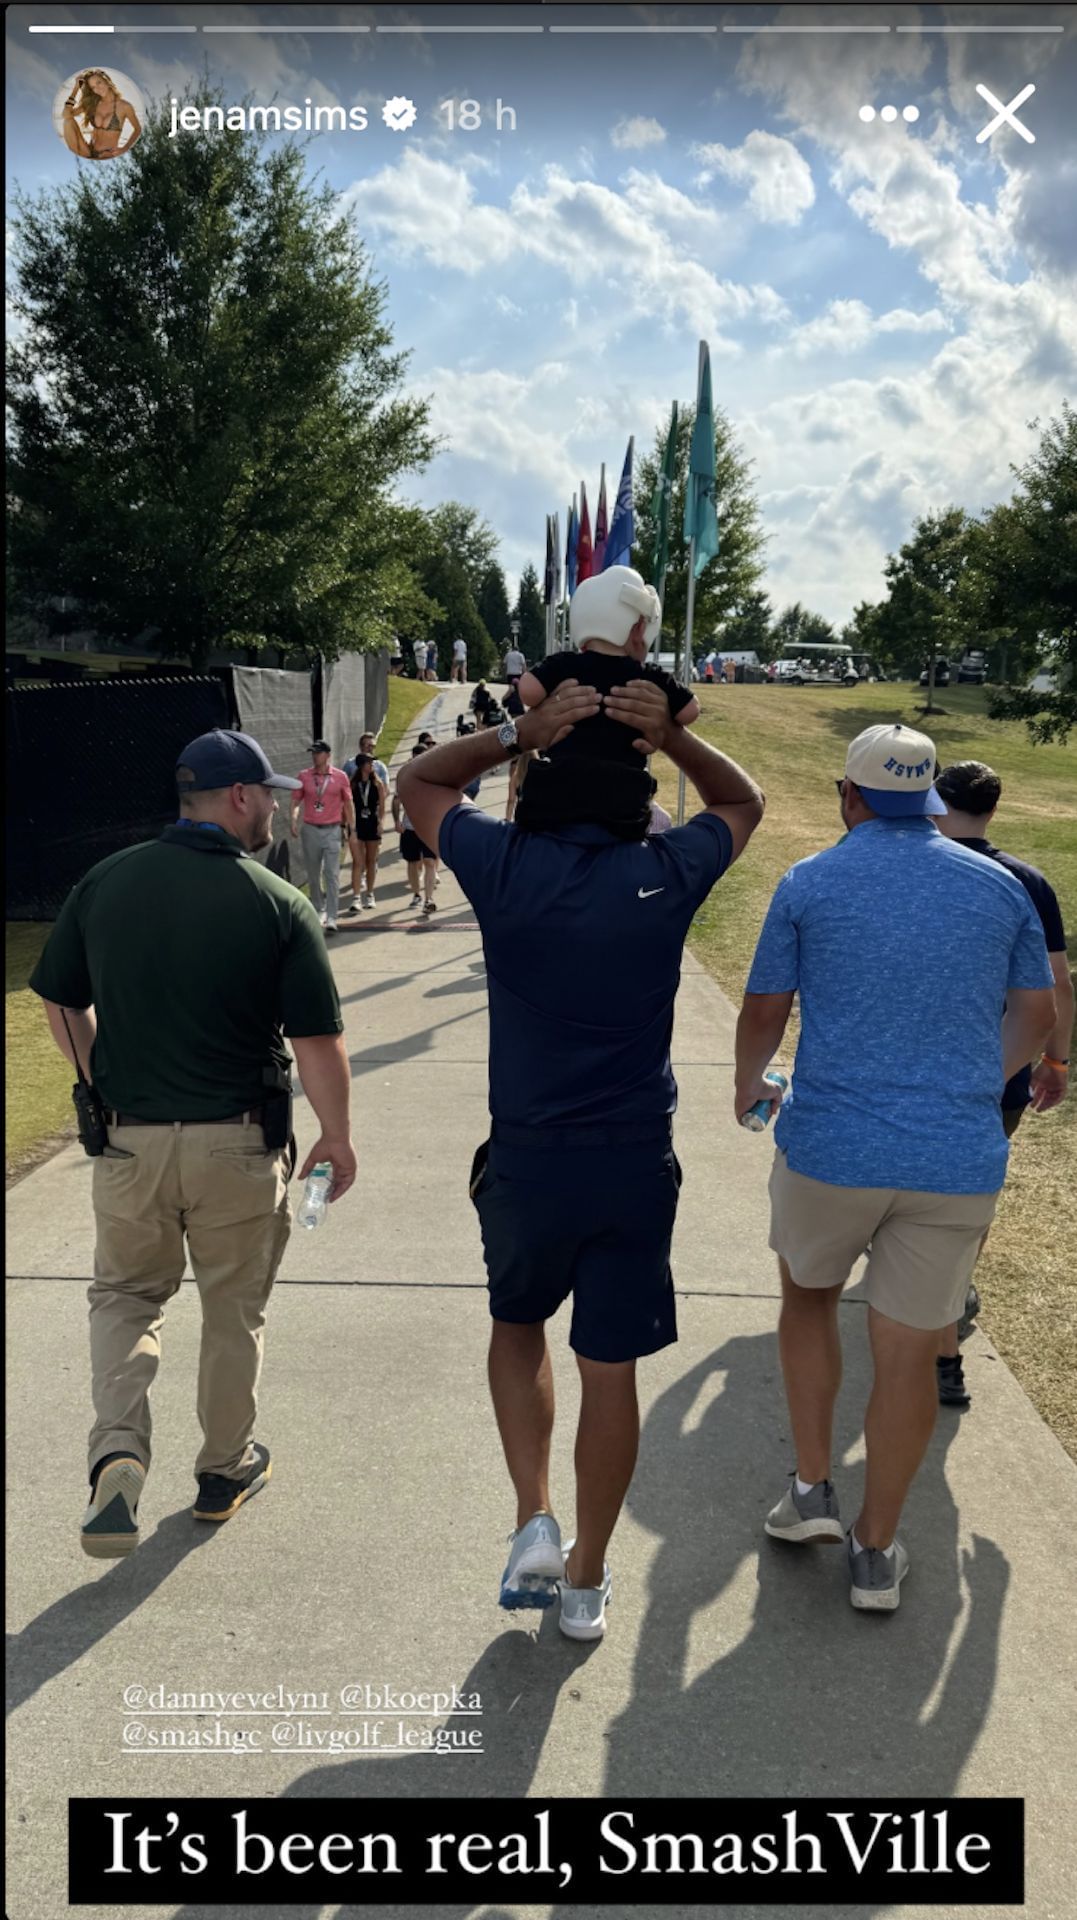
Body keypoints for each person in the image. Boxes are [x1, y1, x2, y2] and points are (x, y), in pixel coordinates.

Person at [396, 677, 764, 1641]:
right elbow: (742, 803)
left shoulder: (506, 865)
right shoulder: (667, 871)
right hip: (633, 1158)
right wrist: (673, 737)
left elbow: (419, 787)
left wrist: (516, 731)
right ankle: (589, 1579)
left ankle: (532, 1516)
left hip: (527, 1157)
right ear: (639, 804)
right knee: (611, 1370)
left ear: (538, 793)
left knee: (516, 1323)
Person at [735, 723, 1055, 1614]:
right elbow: (1036, 1014)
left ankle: (809, 1492)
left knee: (806, 1297)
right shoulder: (1000, 888)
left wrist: (745, 1081)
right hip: (954, 1157)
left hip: (832, 1143)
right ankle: (875, 1551)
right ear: (932, 799)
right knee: (910, 1351)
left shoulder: (811, 880)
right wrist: (968, 1084)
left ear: (848, 796)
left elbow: (765, 1007)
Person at [28, 728, 357, 1558]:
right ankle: (222, 1467)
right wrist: (337, 1137)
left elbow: (60, 1001)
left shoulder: (104, 883)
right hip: (238, 1147)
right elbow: (317, 1040)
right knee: (230, 1310)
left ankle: (118, 1450)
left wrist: (101, 1076)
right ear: (240, 799)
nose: (280, 809)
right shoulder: (273, 901)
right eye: (272, 796)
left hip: (131, 1144)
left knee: (127, 1298)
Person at [933, 760, 1073, 1409]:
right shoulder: (1024, 880)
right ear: (992, 808)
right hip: (998, 1073)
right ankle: (950, 1291)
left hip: (916, 1067)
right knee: (970, 1194)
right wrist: (1055, 1060)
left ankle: (915, 1293)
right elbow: (1054, 985)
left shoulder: (916, 867)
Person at [517, 567, 700, 773]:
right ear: (640, 629)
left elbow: (528, 691)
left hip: (560, 785)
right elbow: (690, 711)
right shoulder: (650, 678)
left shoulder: (564, 664)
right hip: (624, 792)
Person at [289, 741, 352, 936]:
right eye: (312, 753)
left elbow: (348, 803)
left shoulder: (340, 777)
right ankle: (318, 909)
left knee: (331, 874)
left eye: (318, 753)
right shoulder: (304, 776)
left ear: (327, 755)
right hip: (311, 829)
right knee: (313, 873)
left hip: (332, 829)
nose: (314, 756)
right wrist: (293, 819)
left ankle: (332, 915)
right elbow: (295, 801)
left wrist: (352, 827)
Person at [392, 744, 440, 914]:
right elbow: (396, 800)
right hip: (410, 827)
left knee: (429, 862)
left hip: (429, 827)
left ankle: (429, 899)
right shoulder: (405, 775)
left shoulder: (435, 775)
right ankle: (416, 895)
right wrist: (396, 820)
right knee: (412, 863)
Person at [61, 68, 142, 160]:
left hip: (106, 155)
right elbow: (66, 115)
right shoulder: (93, 104)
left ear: (107, 81)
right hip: (87, 150)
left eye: (99, 83)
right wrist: (76, 89)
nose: (98, 88)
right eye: (93, 87)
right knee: (68, 122)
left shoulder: (125, 106)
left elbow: (137, 129)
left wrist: (125, 148)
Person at [345, 754, 387, 913]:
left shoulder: (378, 784)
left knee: (371, 861)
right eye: (370, 763)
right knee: (358, 861)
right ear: (362, 765)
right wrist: (348, 827)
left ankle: (370, 893)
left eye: (373, 763)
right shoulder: (353, 784)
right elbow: (347, 806)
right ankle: (356, 897)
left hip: (372, 825)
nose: (372, 766)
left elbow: (382, 808)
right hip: (357, 825)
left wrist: (381, 823)